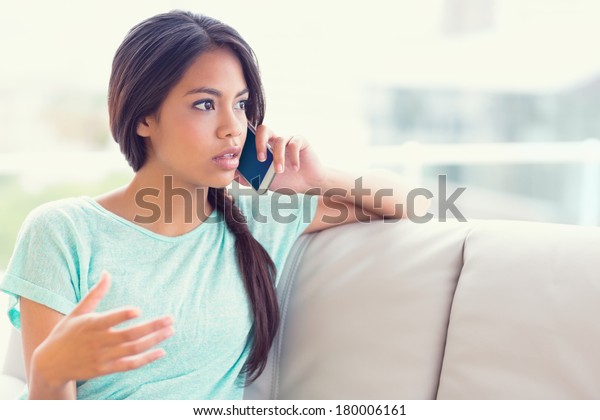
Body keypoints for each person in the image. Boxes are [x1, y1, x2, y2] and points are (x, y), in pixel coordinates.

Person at [0, 10, 423, 400]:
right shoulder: (61, 230)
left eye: (240, 105)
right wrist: (49, 375)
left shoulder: (257, 219)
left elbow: (413, 201)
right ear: (144, 117)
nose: (232, 128)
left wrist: (318, 179)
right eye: (205, 104)